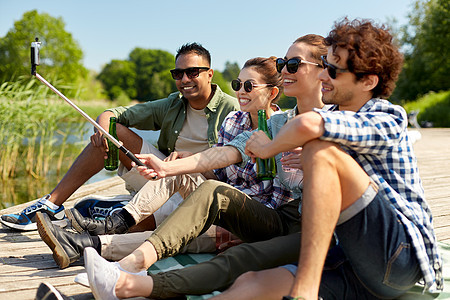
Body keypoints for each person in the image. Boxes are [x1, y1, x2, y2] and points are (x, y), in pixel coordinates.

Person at [81, 34, 329, 300]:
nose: (284, 70)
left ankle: (116, 262)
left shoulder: (341, 124)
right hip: (279, 218)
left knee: (240, 256)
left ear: (323, 71)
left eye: (293, 64)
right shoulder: (279, 124)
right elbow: (226, 153)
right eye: (283, 62)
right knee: (210, 189)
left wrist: (317, 162)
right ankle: (132, 264)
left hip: (316, 224)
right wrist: (167, 168)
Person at [222, 18, 443, 300]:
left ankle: (305, 293)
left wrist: (269, 148)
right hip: (354, 260)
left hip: (400, 259)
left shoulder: (388, 116)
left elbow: (308, 126)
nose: (323, 76)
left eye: (334, 70)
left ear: (368, 81)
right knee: (251, 284)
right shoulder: (334, 116)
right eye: (324, 66)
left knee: (319, 148)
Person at [36, 56, 293, 268]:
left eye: (249, 87)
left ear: (272, 93)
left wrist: (242, 225)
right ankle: (108, 226)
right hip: (219, 202)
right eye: (238, 84)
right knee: (176, 173)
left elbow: (280, 199)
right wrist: (185, 163)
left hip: (252, 215)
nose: (240, 92)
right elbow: (219, 176)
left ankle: (88, 242)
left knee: (177, 231)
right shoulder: (233, 121)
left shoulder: (283, 130)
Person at [1, 43, 239, 232]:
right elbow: (113, 114)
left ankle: (113, 213)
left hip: (203, 187)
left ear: (209, 74)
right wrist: (102, 130)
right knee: (111, 131)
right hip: (163, 177)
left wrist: (186, 165)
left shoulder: (233, 110)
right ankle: (52, 205)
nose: (185, 79)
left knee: (152, 223)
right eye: (178, 73)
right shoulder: (172, 104)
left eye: (192, 72)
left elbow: (237, 171)